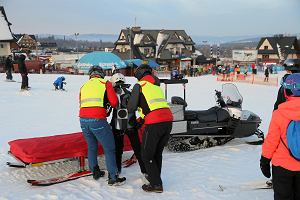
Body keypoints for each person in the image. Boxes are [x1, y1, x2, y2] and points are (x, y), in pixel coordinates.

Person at [127, 64, 173, 193]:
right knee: (157, 152)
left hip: (155, 123)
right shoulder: (155, 86)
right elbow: (150, 106)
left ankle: (156, 184)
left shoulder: (140, 85)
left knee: (146, 155)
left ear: (139, 75)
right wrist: (141, 120)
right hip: (168, 120)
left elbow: (131, 107)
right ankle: (156, 178)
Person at [79, 66, 126, 186]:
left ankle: (95, 171)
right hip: (98, 120)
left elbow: (82, 102)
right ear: (101, 74)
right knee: (109, 148)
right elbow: (114, 102)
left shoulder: (84, 86)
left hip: (83, 120)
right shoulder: (105, 83)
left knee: (92, 146)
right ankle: (113, 177)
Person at [260, 73, 300, 200]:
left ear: (286, 92)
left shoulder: (279, 114)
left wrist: (265, 160)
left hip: (282, 167)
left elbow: (272, 140)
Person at [109, 73, 146, 175]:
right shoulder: (130, 90)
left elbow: (108, 110)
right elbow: (140, 106)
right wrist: (141, 120)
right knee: (138, 149)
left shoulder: (112, 92)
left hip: (118, 125)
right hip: (131, 124)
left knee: (118, 149)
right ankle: (145, 171)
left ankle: (117, 171)